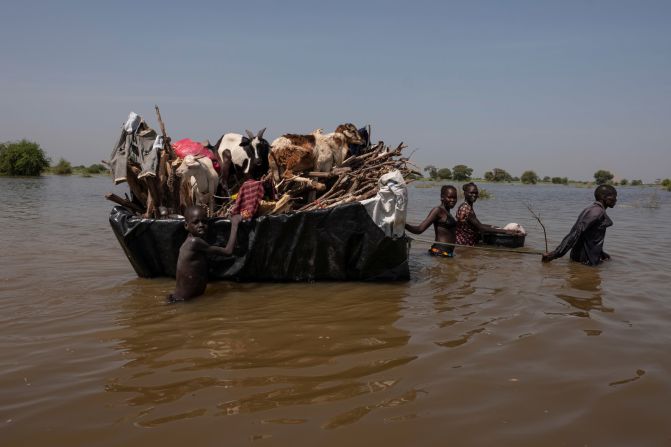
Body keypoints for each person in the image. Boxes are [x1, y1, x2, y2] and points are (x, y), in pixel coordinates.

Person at [168, 206, 242, 302]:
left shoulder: (190, 240)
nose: (201, 225)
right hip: (184, 301)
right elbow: (228, 251)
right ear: (186, 226)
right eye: (196, 222)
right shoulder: (194, 242)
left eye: (204, 221)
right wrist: (235, 224)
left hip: (183, 299)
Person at [542, 185, 617, 266]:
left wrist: (601, 253)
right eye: (614, 196)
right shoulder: (596, 211)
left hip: (583, 259)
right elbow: (575, 233)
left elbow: (588, 235)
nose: (616, 199)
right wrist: (555, 254)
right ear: (603, 197)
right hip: (586, 262)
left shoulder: (594, 209)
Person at [455, 182, 520, 246]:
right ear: (465, 193)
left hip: (465, 241)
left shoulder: (466, 206)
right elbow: (481, 228)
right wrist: (506, 231)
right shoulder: (466, 209)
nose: (474, 195)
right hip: (465, 243)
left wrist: (494, 227)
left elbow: (475, 224)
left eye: (476, 193)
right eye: (471, 193)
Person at [405, 185, 458, 257]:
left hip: (447, 254)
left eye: (455, 198)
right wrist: (403, 224)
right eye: (450, 197)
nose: (453, 200)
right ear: (442, 197)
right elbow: (419, 229)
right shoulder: (438, 210)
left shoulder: (448, 212)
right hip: (439, 253)